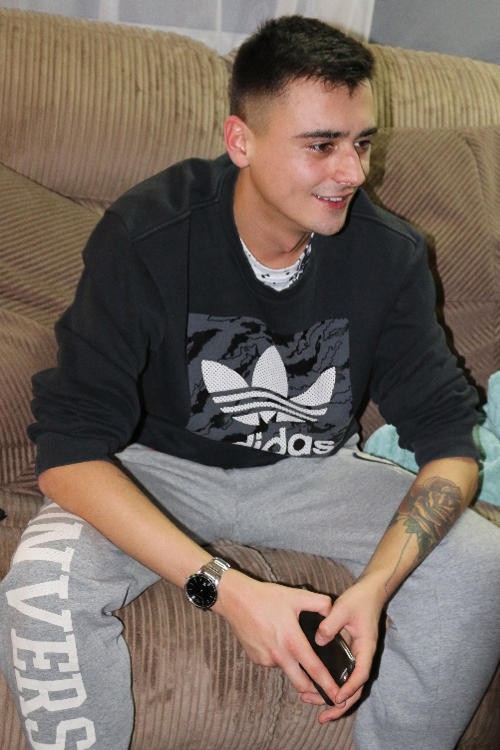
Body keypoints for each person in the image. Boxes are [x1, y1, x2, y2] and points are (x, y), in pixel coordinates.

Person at [0, 15, 498, 750]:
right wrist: (227, 591)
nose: (354, 172)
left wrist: (377, 586)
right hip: (158, 467)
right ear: (242, 141)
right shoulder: (147, 235)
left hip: (315, 473)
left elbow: (451, 444)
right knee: (42, 583)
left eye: (362, 143)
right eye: (321, 145)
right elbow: (68, 452)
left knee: (481, 565)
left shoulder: (389, 256)